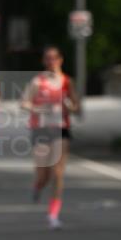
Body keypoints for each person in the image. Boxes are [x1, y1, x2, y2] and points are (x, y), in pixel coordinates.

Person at [21, 46, 80, 229]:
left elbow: (76, 106)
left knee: (57, 172)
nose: (51, 61)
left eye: (54, 58)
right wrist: (38, 109)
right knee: (43, 174)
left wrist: (69, 106)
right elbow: (23, 103)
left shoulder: (66, 82)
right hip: (40, 129)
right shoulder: (37, 82)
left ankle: (53, 214)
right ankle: (37, 187)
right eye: (48, 58)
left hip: (60, 129)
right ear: (44, 61)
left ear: (60, 60)